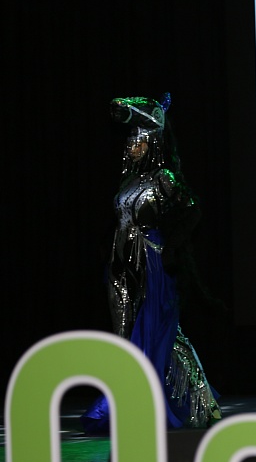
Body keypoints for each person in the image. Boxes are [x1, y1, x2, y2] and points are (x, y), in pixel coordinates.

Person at [81, 93, 222, 433]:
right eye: (129, 142)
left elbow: (192, 211)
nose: (131, 147)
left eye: (138, 142)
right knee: (124, 334)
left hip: (152, 262)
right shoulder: (128, 181)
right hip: (121, 264)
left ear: (152, 143)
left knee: (163, 333)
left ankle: (200, 402)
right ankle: (124, 399)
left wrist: (171, 248)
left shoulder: (164, 178)